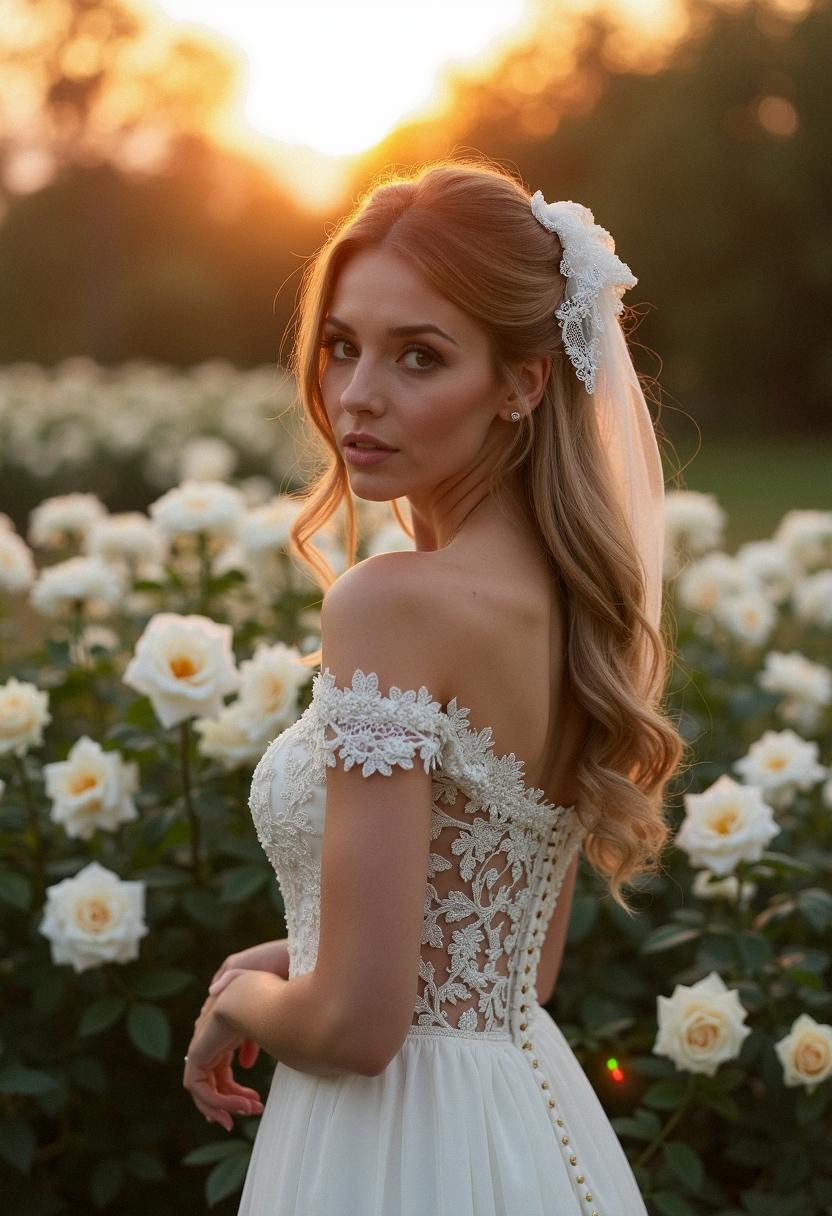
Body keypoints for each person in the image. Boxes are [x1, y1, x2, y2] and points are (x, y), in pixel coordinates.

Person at [183, 158, 686, 1215]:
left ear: (521, 382)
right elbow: (503, 961)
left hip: (392, 1149)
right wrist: (283, 953)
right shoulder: (570, 607)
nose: (358, 393)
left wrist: (243, 997)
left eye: (419, 356)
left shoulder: (390, 605)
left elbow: (361, 1030)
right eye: (341, 345)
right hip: (523, 1123)